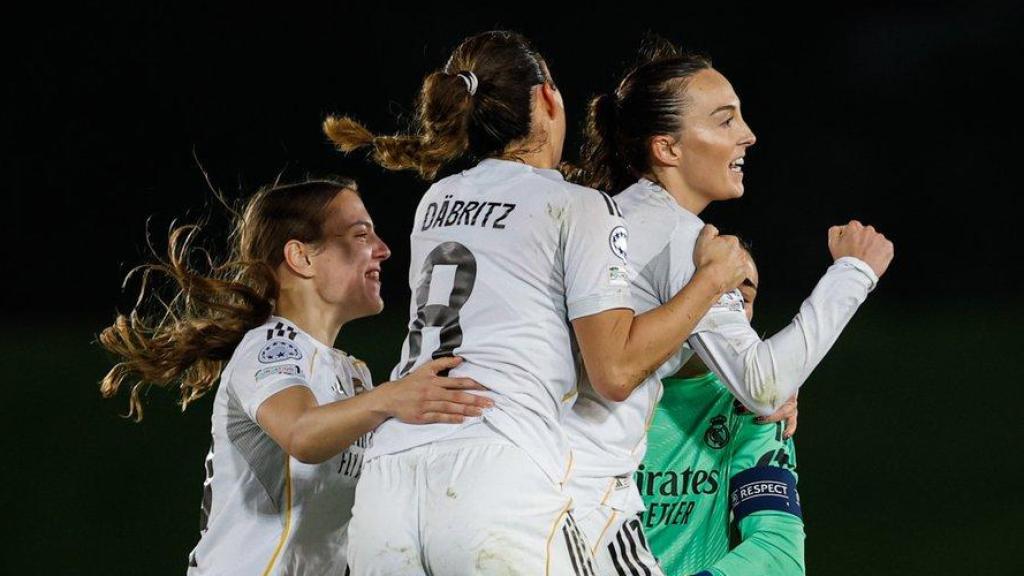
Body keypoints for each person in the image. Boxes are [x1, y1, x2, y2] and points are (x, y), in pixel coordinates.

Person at [323, 30, 749, 575]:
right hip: (496, 469)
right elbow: (615, 370)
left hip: (390, 477)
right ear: (547, 98)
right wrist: (709, 281)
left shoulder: (435, 201)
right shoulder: (581, 207)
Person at [566, 39, 893, 574]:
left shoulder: (600, 216)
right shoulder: (681, 240)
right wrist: (853, 274)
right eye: (724, 121)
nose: (748, 134)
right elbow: (761, 383)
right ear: (666, 149)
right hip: (582, 499)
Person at [98, 178, 492, 575]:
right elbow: (302, 434)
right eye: (360, 234)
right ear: (301, 257)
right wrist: (391, 397)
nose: (383, 249)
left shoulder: (352, 374)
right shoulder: (269, 346)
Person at [641, 248, 805, 576]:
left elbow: (778, 555)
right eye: (715, 292)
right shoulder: (589, 389)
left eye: (741, 299)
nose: (727, 312)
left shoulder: (749, 408)